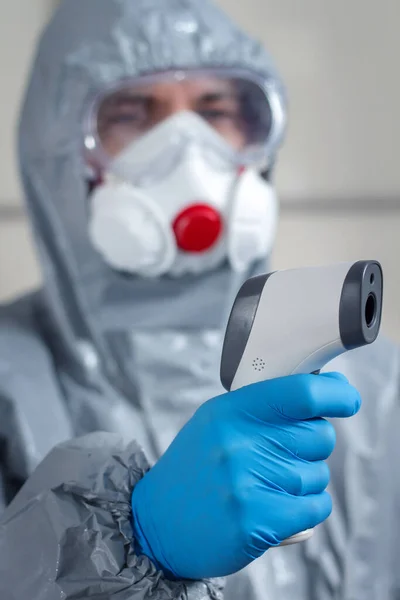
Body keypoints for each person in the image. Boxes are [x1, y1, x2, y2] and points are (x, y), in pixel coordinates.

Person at [0, 0, 398, 599]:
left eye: (216, 111)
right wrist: (128, 544)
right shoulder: (11, 388)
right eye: (133, 114)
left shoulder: (376, 385)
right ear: (61, 156)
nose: (187, 150)